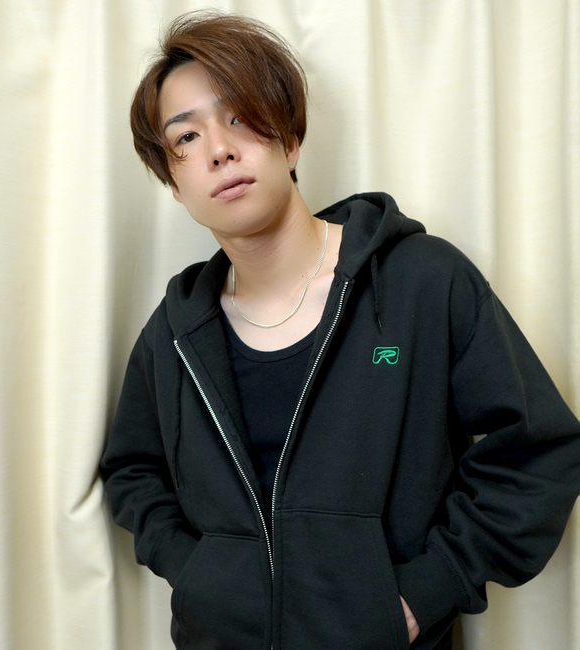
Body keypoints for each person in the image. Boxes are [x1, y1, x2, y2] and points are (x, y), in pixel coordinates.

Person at [100, 11, 580, 650]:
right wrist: (199, 574)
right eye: (186, 137)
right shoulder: (176, 333)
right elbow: (132, 471)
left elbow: (539, 451)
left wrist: (426, 591)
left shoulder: (420, 283)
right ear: (175, 184)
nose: (219, 149)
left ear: (290, 138)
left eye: (239, 117)